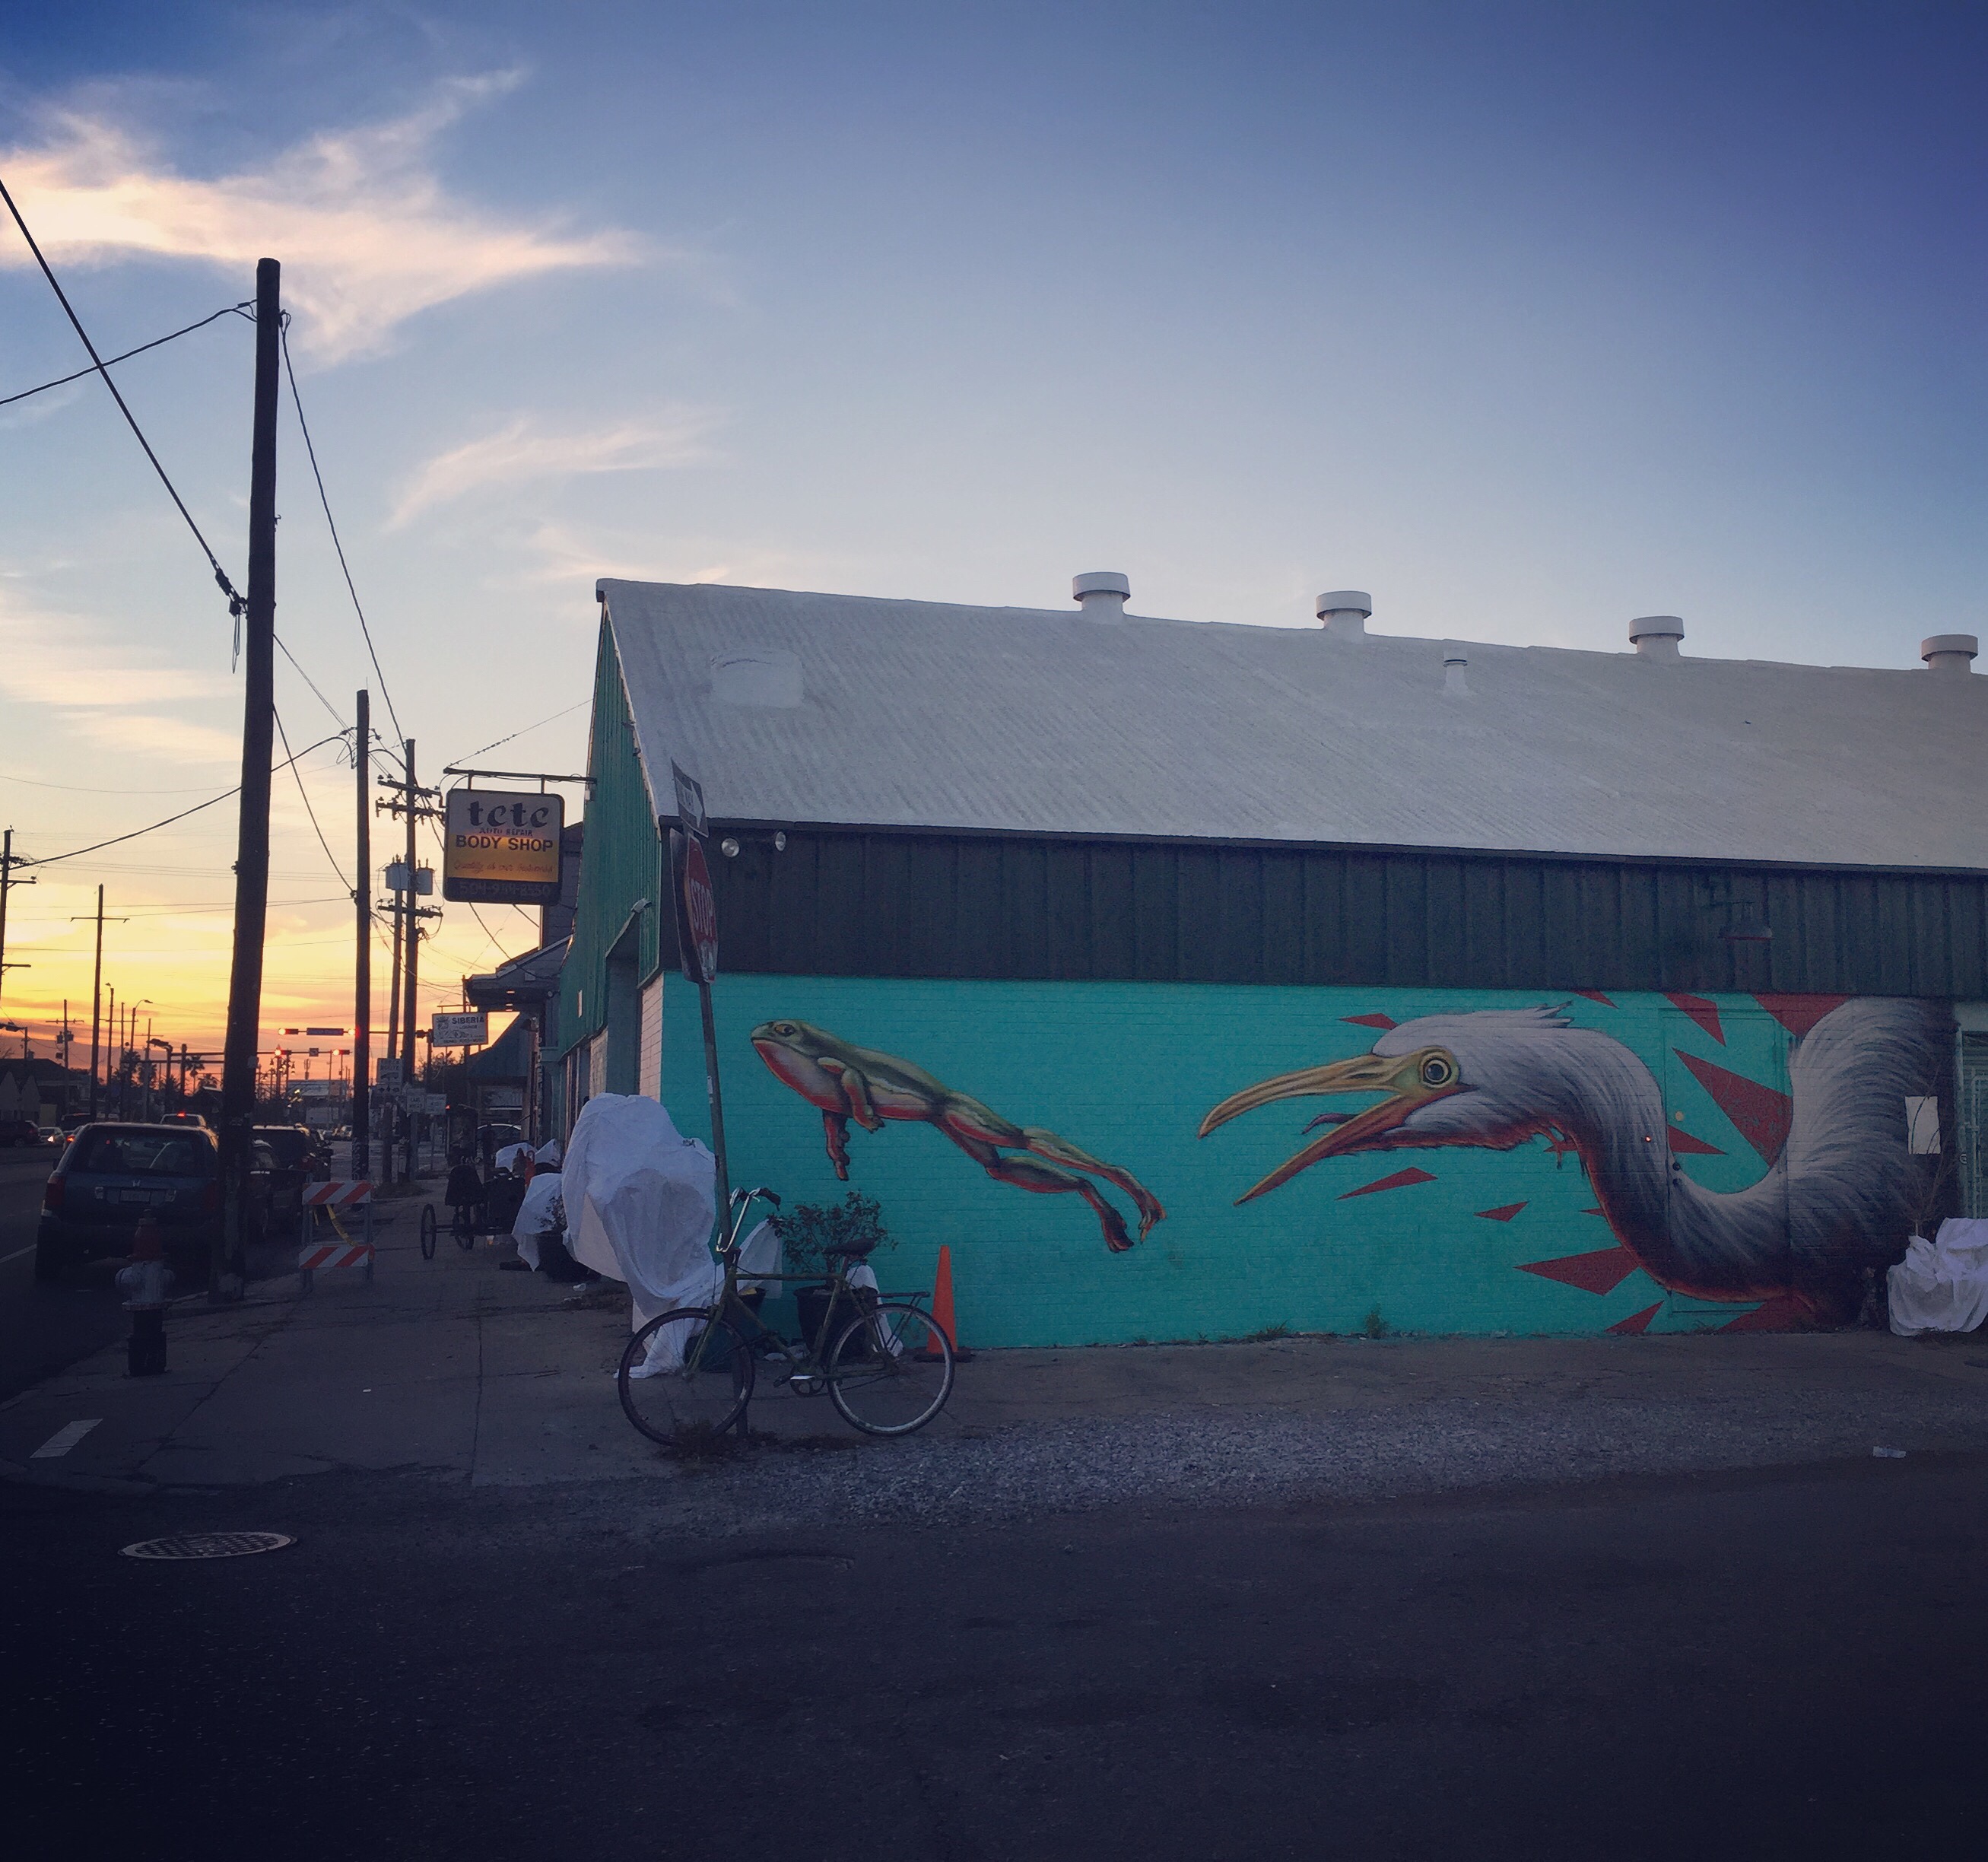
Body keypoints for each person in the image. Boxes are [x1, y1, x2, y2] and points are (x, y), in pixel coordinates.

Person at [444, 1158, 484, 1236]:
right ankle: (478, 1221)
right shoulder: (471, 1172)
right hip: (472, 1195)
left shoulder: (456, 1172)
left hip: (457, 1195)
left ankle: (462, 1222)